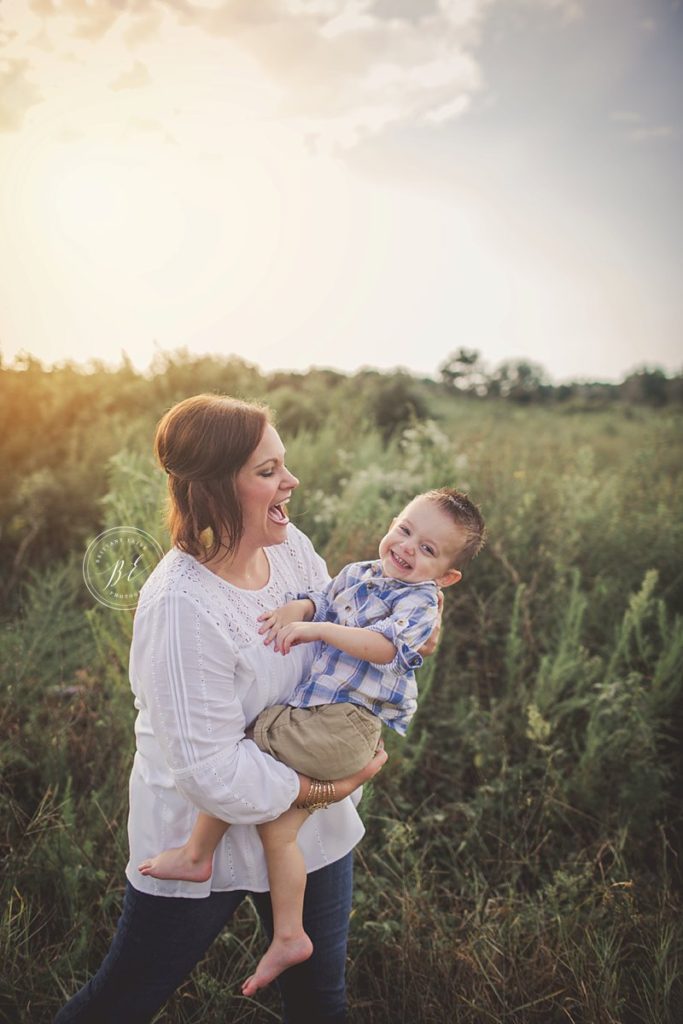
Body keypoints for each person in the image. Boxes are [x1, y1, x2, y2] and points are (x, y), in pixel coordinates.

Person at [54, 393, 399, 1024]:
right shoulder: (181, 605)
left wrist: (403, 624)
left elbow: (338, 628)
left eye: (283, 463)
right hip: (199, 834)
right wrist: (330, 784)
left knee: (321, 1003)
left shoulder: (291, 547)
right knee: (124, 1000)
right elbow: (210, 770)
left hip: (302, 828)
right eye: (267, 472)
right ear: (214, 489)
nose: (290, 481)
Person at [138, 487, 486, 998]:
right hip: (324, 718)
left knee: (253, 738)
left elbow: (384, 646)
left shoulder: (418, 599)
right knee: (280, 832)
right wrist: (300, 607)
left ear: (447, 577)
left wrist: (315, 629)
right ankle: (288, 934)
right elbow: (324, 595)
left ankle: (197, 853)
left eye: (429, 550)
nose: (408, 548)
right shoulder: (362, 573)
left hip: (345, 725)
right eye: (406, 530)